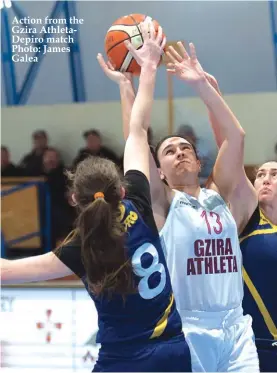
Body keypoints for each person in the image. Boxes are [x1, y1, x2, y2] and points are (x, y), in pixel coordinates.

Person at [1, 21, 191, 372]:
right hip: (174, 351)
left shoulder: (80, 247)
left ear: (74, 199)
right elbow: (137, 132)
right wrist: (143, 72)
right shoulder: (138, 202)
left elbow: (7, 271)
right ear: (121, 188)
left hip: (123, 360)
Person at [98, 41, 259, 371]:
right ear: (158, 171)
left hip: (236, 328)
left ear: (199, 162)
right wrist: (133, 83)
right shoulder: (162, 204)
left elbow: (236, 137)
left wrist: (201, 84)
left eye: (185, 148)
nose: (180, 152)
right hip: (186, 327)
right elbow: (137, 138)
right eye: (169, 151)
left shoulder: (223, 197)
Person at [240, 161, 277, 372]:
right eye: (260, 175)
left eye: (274, 174)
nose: (266, 179)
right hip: (257, 348)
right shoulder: (246, 220)